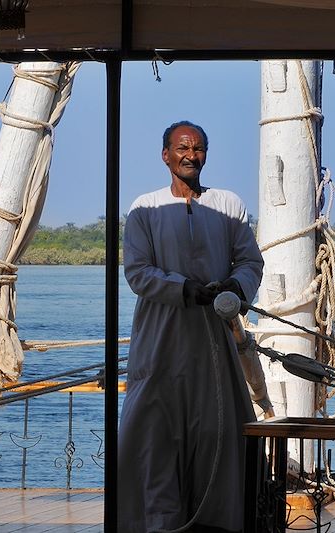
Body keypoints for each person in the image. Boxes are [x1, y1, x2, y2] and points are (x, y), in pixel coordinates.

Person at [118, 121, 264, 533]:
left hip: (214, 343)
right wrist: (186, 290)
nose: (191, 155)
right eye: (182, 147)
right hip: (160, 340)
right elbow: (138, 273)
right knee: (154, 434)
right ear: (166, 155)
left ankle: (217, 520)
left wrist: (237, 286)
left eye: (198, 148)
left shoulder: (228, 205)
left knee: (219, 430)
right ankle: (156, 522)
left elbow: (250, 261)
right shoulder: (144, 209)